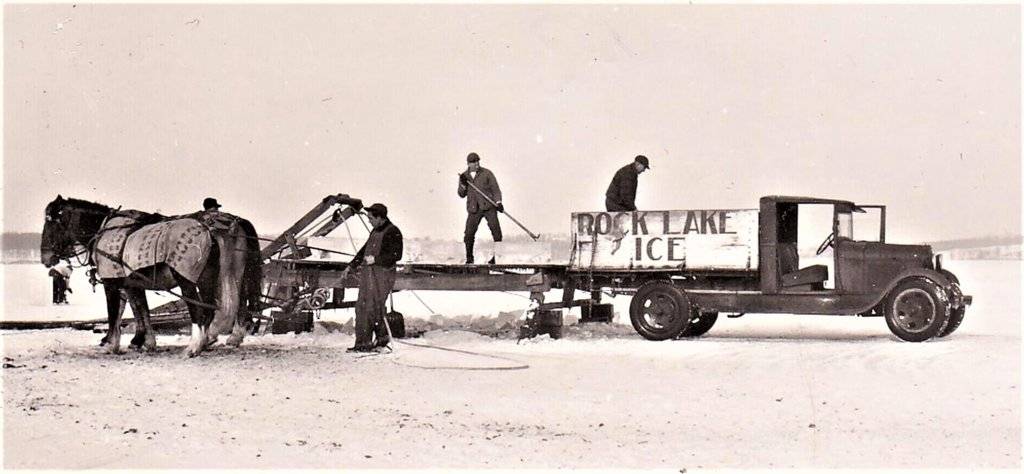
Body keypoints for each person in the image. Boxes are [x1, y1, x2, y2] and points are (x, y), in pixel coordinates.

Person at [342, 203, 403, 352]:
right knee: (363, 307)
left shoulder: (392, 231)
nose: (369, 221)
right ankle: (364, 343)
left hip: (382, 277)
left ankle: (377, 342)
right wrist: (351, 266)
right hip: (368, 276)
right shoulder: (375, 231)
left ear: (380, 218)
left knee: (373, 308)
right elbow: (364, 250)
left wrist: (376, 260)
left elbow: (396, 255)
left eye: (371, 218)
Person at [457, 152, 503, 264]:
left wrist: (498, 202)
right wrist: (463, 185)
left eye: (478, 161)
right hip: (474, 209)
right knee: (468, 233)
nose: (477, 164)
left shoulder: (487, 173)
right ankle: (469, 258)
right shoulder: (464, 177)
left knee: (496, 231)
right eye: (474, 162)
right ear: (468, 164)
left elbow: (495, 189)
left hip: (489, 206)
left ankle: (496, 258)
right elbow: (461, 194)